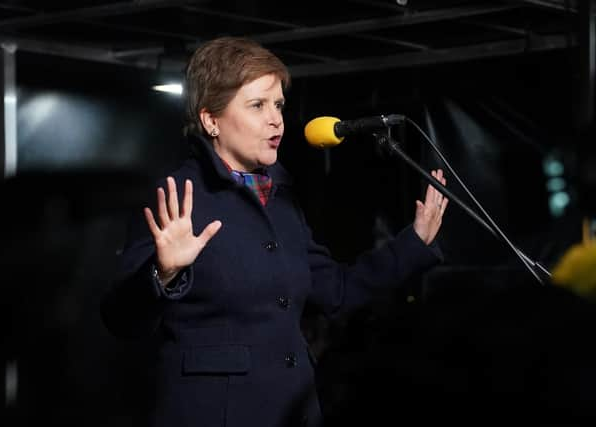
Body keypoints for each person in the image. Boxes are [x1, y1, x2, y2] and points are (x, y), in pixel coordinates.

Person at [100, 36, 449, 427]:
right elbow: (120, 319)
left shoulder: (281, 198)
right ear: (210, 120)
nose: (276, 119)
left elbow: (336, 291)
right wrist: (162, 274)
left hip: (292, 409)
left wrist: (413, 243)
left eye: (279, 105)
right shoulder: (178, 196)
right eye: (257, 105)